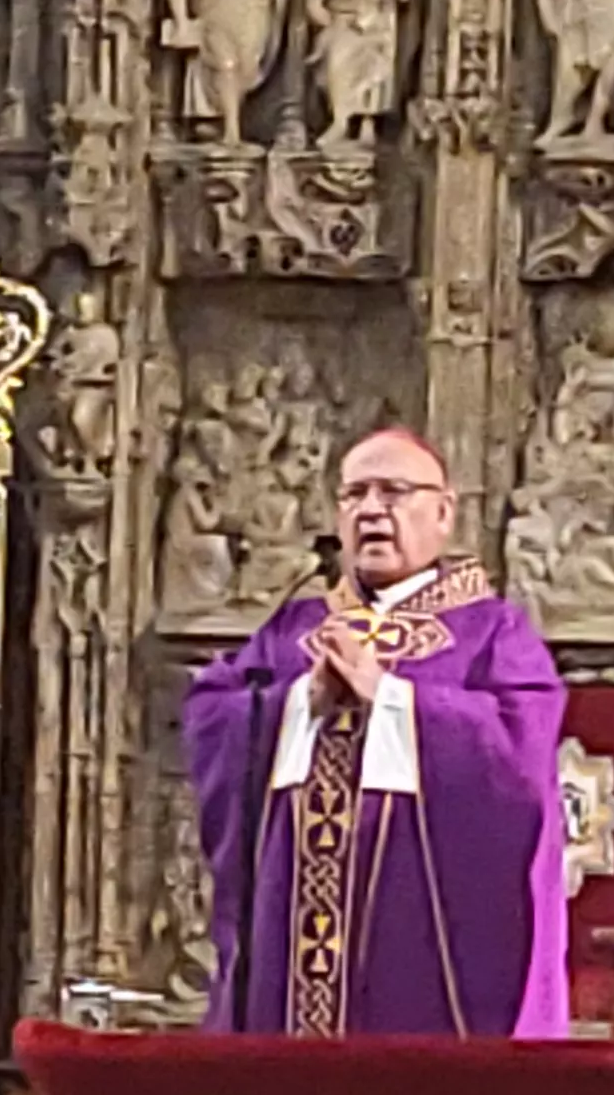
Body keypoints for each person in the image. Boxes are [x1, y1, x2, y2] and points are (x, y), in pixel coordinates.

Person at [182, 426, 574, 1037]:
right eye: (354, 494)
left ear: (443, 513)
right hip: (291, 923)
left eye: (393, 492)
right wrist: (298, 703)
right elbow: (214, 713)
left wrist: (390, 698)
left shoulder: (491, 632)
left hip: (415, 918)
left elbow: (519, 755)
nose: (370, 510)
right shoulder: (293, 627)